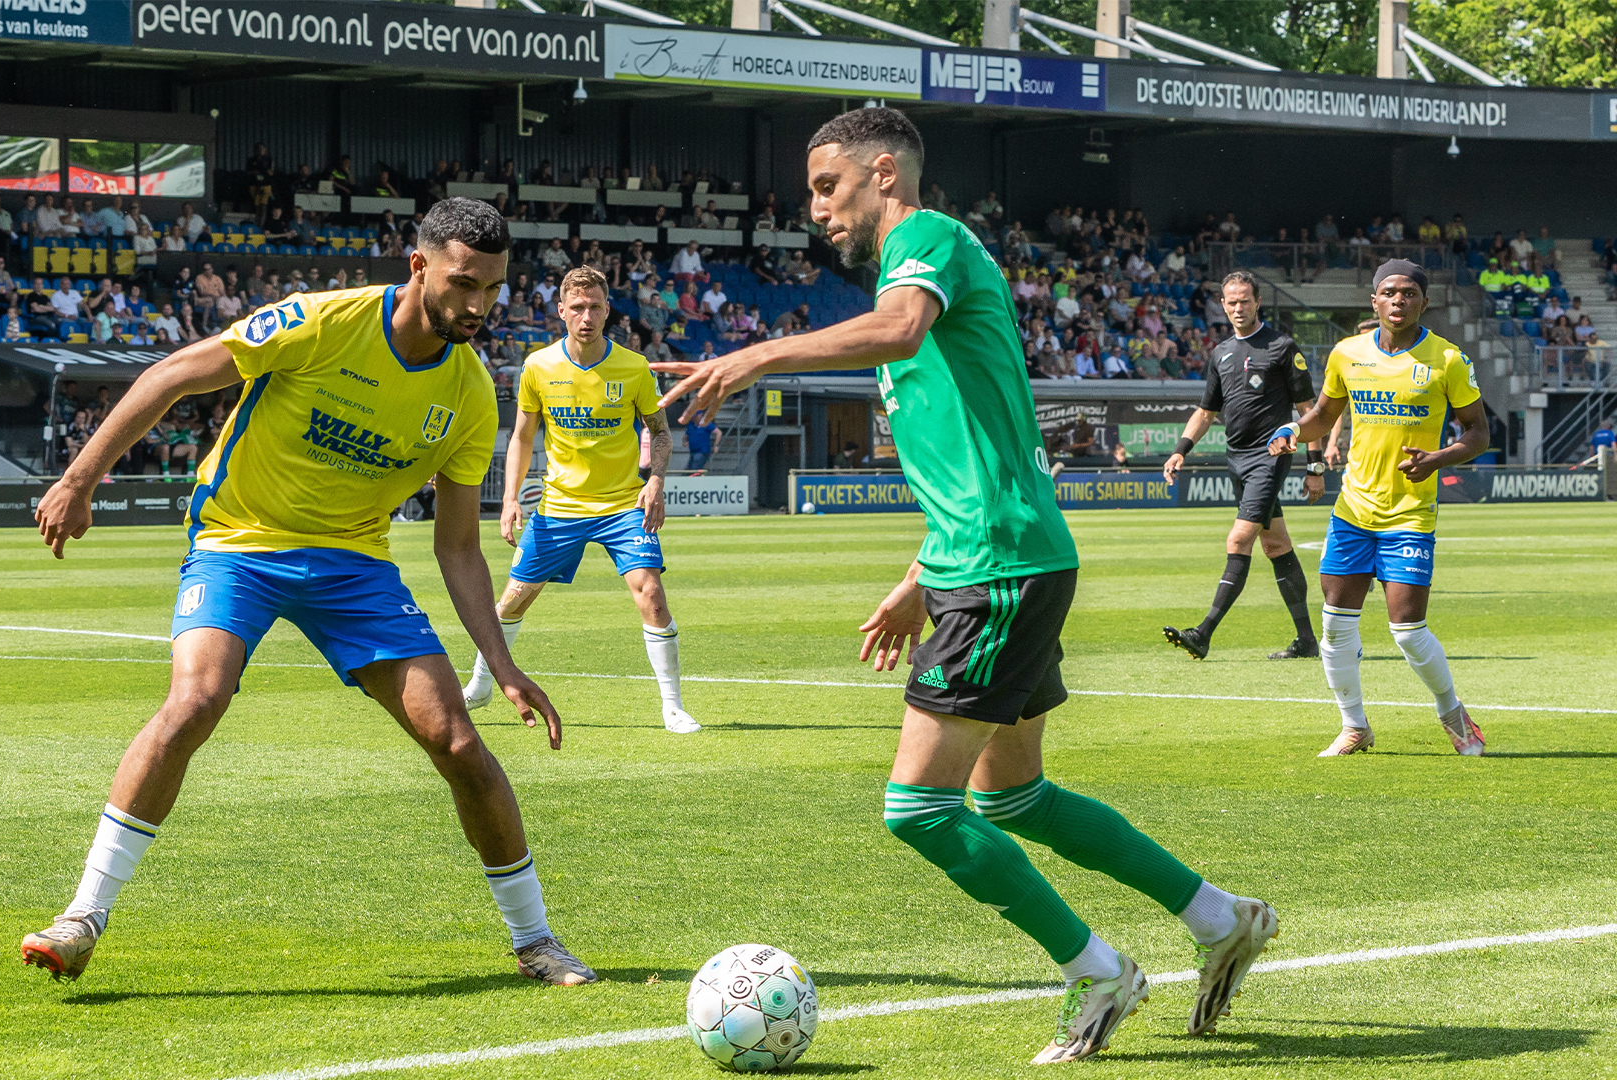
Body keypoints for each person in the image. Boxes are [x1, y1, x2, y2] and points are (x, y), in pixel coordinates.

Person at [654, 108, 1274, 1064]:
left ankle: (1098, 971)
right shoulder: (926, 278)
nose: (816, 209)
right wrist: (918, 576)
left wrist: (758, 353)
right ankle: (1217, 915)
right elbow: (971, 461)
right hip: (995, 558)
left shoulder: (929, 244)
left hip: (1001, 570)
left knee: (920, 810)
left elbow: (899, 330)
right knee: (1014, 799)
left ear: (885, 174)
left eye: (828, 186)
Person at [20, 198, 594, 988]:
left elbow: (457, 545)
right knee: (195, 701)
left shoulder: (467, 392)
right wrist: (80, 479)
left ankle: (536, 940)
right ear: (419, 265)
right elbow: (171, 375)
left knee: (457, 741)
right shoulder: (320, 322)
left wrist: (499, 661)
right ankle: (82, 916)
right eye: (466, 284)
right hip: (239, 542)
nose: (479, 306)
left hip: (353, 566)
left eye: (494, 290)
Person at [461, 266, 695, 735]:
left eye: (595, 307)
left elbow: (661, 432)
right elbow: (523, 436)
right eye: (578, 308)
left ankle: (673, 706)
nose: (586, 316)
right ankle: (481, 685)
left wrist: (656, 481)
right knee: (512, 601)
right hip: (560, 506)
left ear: (608, 310)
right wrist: (510, 497)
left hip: (622, 505)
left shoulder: (633, 367)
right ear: (561, 310)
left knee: (650, 593)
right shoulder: (538, 366)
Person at [1269, 259, 1489, 758]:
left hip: (1411, 512)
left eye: (1409, 293)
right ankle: (1354, 726)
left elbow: (1478, 432)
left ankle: (1452, 712)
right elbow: (1323, 416)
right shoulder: (1347, 354)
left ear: (1423, 302)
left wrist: (1438, 459)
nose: (1398, 300)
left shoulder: (1447, 359)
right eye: (1388, 292)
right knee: (1335, 625)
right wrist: (1291, 430)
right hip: (1353, 510)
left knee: (1408, 631)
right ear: (1374, 301)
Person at [1160, 271, 1324, 661]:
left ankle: (1203, 633)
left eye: (1244, 301)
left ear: (1258, 301)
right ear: (1222, 303)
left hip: (1271, 458)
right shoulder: (1221, 353)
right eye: (1230, 302)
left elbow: (1309, 412)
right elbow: (1205, 412)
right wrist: (1180, 449)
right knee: (1276, 544)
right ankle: (1306, 641)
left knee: (1238, 541)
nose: (1237, 308)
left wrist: (1315, 467)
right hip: (1237, 459)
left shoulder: (1282, 347)